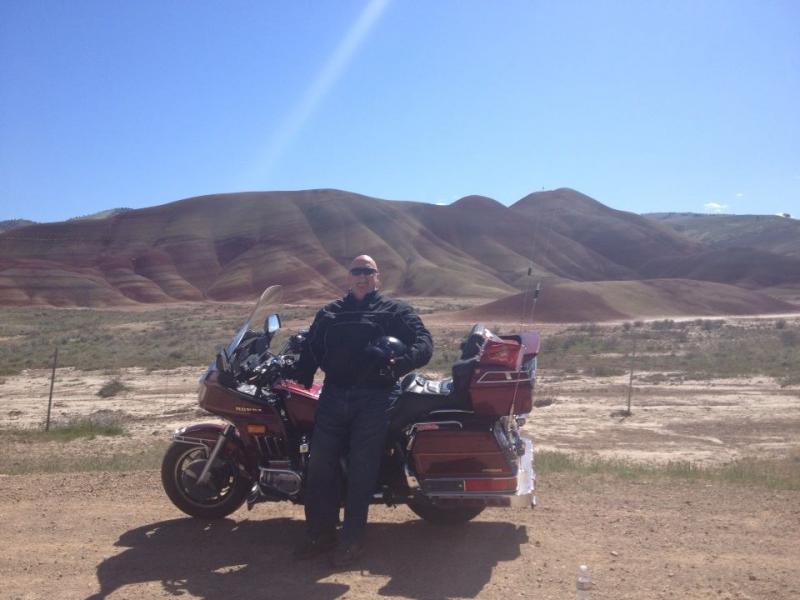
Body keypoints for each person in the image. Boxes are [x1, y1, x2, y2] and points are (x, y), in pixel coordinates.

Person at [287, 254, 433, 567]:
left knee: (361, 469)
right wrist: (301, 371)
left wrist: (402, 364)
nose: (362, 276)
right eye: (357, 271)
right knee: (320, 467)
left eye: (368, 271)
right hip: (334, 394)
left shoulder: (394, 311)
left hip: (376, 397)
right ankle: (320, 534)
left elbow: (424, 341)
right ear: (348, 276)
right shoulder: (331, 313)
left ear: (377, 276)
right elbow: (312, 347)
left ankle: (351, 541)